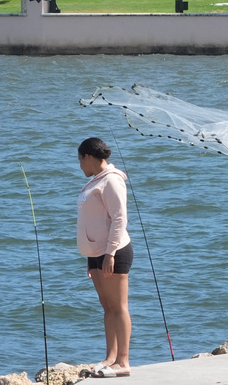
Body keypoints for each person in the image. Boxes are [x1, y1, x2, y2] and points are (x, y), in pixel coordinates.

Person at [77, 137, 133, 378]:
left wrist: (110, 253)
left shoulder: (111, 180)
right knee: (107, 307)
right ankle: (110, 357)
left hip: (114, 252)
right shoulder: (96, 181)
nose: (80, 166)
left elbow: (120, 219)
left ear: (88, 157)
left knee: (119, 307)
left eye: (80, 160)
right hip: (97, 253)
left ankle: (123, 361)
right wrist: (92, 257)